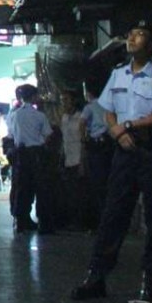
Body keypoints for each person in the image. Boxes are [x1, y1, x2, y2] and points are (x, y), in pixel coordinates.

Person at [71, 20, 152, 303]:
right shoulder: (118, 74)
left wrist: (129, 125)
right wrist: (117, 131)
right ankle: (96, 277)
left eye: (140, 34)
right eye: (131, 34)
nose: (132, 38)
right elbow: (107, 110)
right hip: (124, 150)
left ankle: (150, 281)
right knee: (113, 213)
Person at [7, 84, 53, 234]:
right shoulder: (39, 115)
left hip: (20, 153)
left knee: (22, 188)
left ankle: (21, 221)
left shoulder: (14, 115)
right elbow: (48, 135)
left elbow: (11, 135)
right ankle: (44, 223)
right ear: (33, 97)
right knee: (41, 188)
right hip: (37, 153)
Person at [80, 85, 112, 230]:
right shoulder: (109, 104)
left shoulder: (89, 107)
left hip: (96, 145)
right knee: (108, 181)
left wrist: (83, 139)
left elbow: (81, 124)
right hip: (109, 144)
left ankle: (100, 219)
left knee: (96, 182)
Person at [59, 89, 88, 230]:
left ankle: (81, 222)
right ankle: (73, 221)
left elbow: (83, 140)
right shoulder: (64, 118)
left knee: (80, 193)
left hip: (78, 158)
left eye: (66, 100)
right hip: (68, 159)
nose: (63, 103)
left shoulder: (80, 117)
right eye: (62, 100)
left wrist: (82, 161)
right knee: (70, 193)